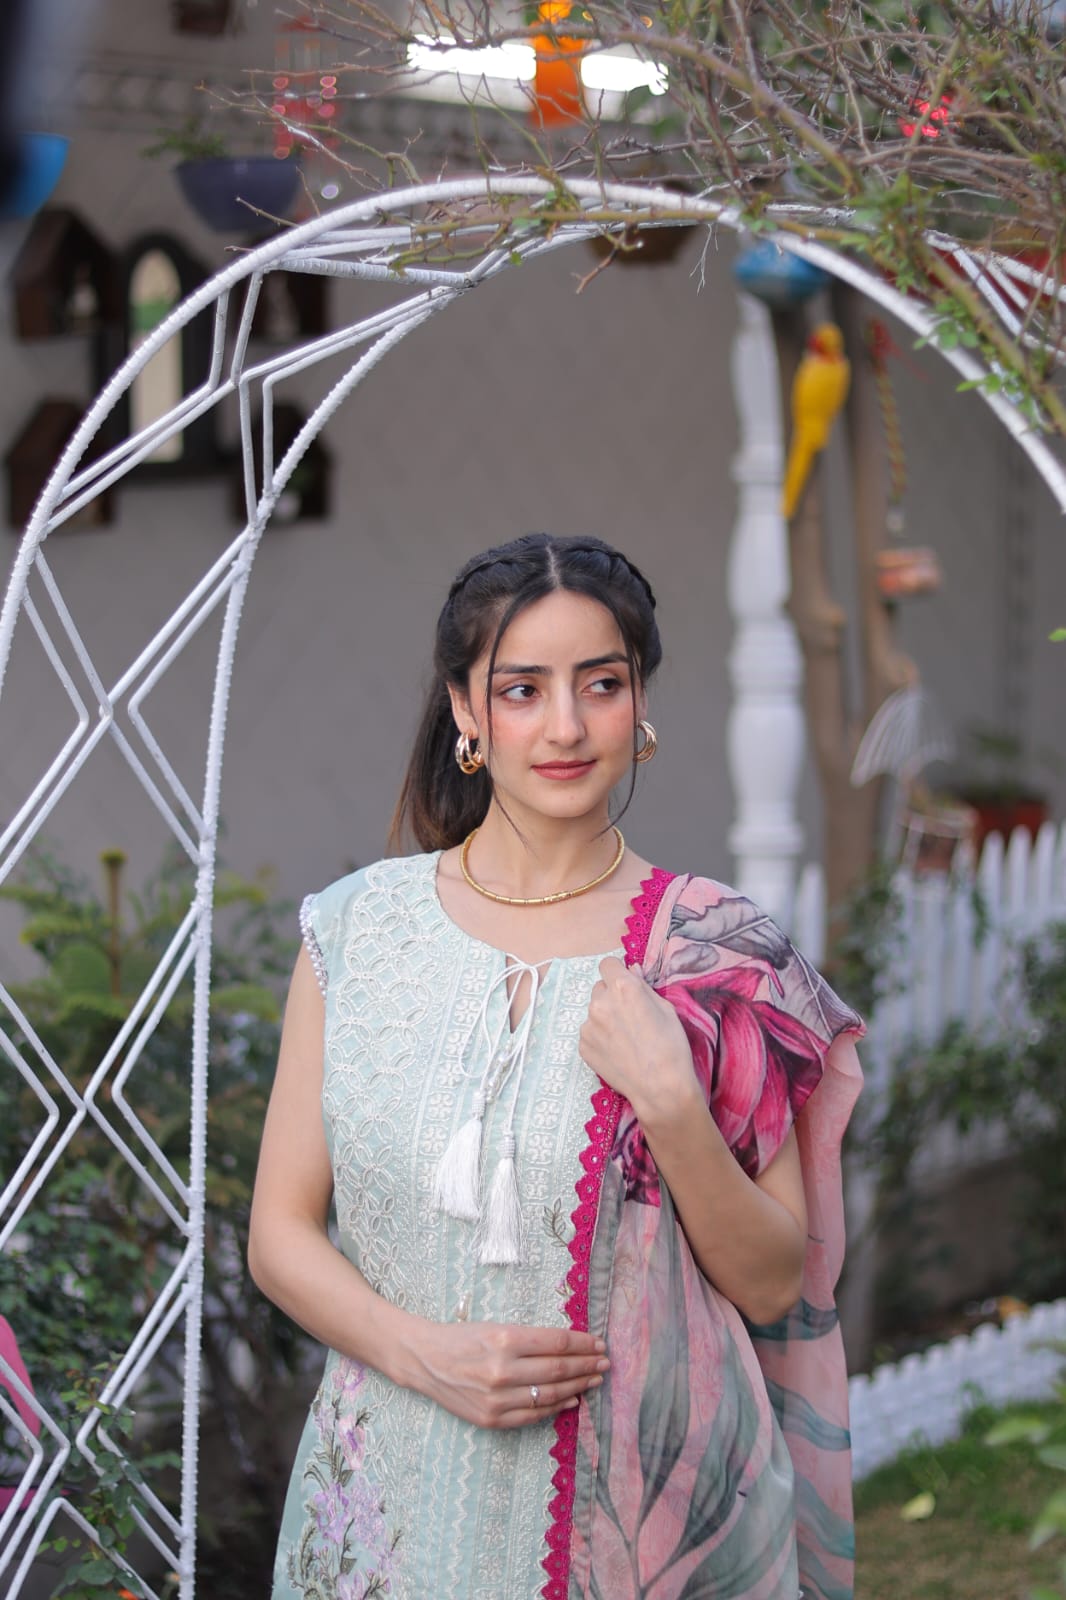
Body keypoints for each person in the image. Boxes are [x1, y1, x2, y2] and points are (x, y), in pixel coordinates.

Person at [249, 533, 864, 1600]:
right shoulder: (355, 932)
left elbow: (774, 1281)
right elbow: (279, 1235)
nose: (568, 726)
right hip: (389, 1516)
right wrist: (427, 1354)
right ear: (465, 709)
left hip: (650, 1531)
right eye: (523, 690)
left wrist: (670, 1100)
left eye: (602, 684)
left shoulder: (716, 950)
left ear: (641, 702)